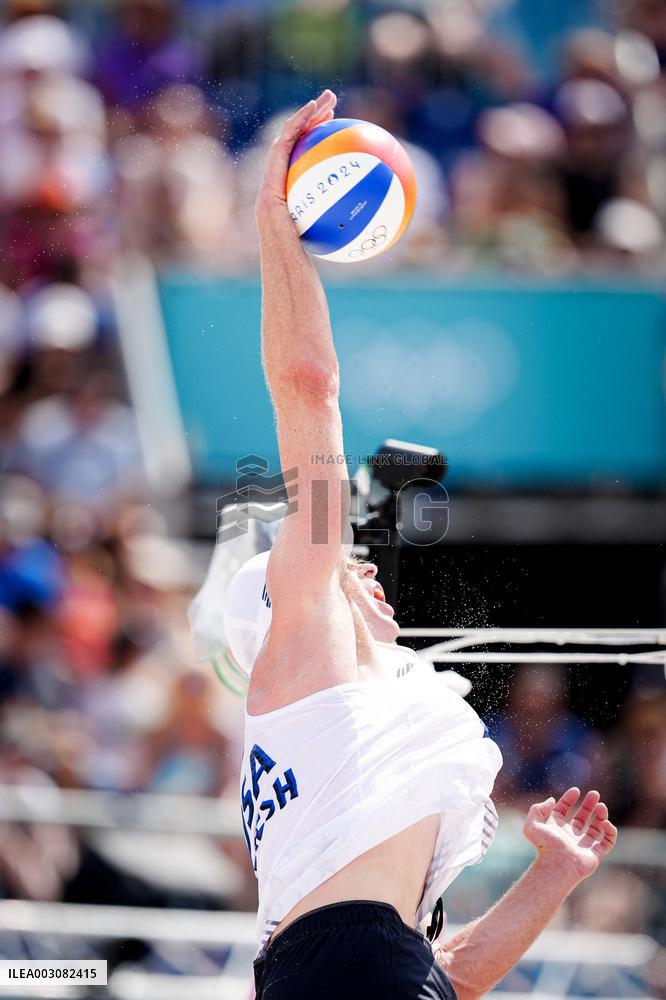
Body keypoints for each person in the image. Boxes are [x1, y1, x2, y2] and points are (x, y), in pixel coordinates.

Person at [223, 90, 618, 1000]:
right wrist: (272, 221)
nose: (357, 566)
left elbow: (436, 971)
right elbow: (307, 385)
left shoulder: (324, 708)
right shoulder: (304, 667)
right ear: (283, 601)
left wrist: (552, 874)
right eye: (328, 569)